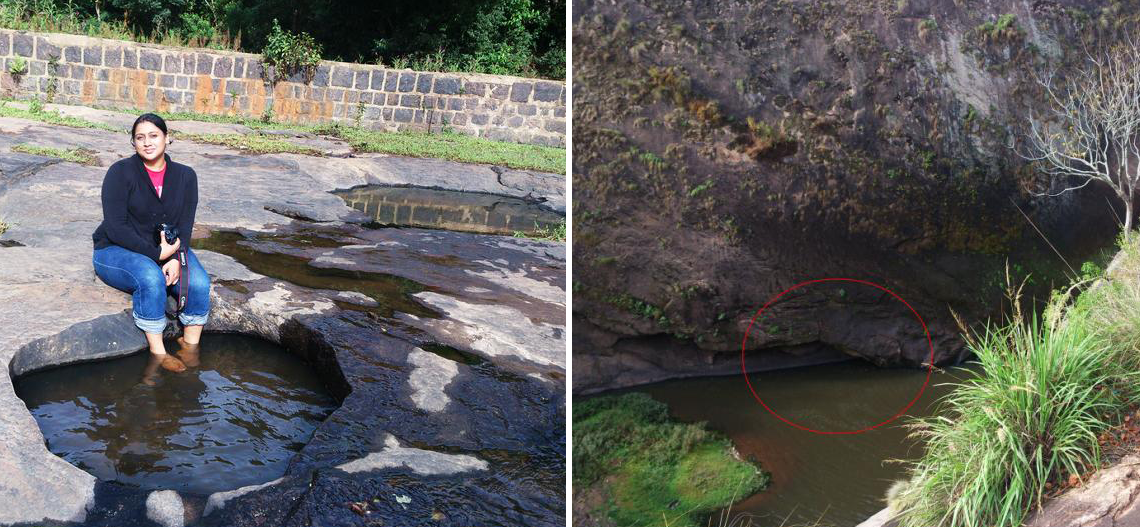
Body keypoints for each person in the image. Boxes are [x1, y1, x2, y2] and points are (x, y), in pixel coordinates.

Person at [92, 113, 209, 372]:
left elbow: (185, 225)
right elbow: (115, 227)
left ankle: (190, 346)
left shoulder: (186, 176)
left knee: (199, 282)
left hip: (168, 248)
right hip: (115, 249)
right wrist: (157, 256)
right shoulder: (120, 172)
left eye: (154, 135)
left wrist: (176, 258)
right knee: (150, 277)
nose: (147, 142)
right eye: (140, 137)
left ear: (167, 139)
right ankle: (158, 352)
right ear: (133, 143)